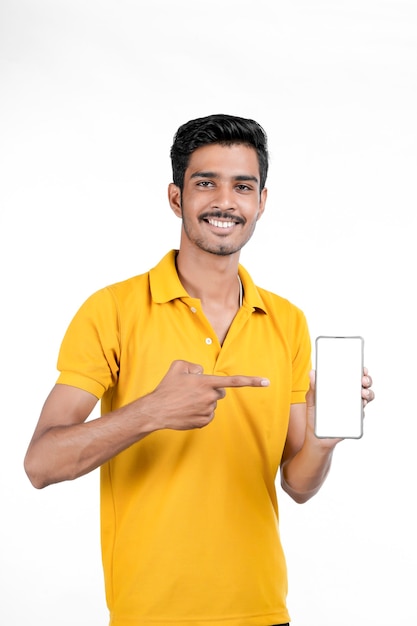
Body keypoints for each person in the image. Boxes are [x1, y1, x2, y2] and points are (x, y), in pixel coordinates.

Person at [24, 113, 374, 626]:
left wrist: (322, 440)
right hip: (151, 613)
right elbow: (41, 464)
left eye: (243, 186)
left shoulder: (287, 321)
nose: (225, 201)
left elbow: (297, 486)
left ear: (261, 202)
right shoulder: (113, 310)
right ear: (176, 198)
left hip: (262, 610)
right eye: (205, 183)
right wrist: (151, 411)